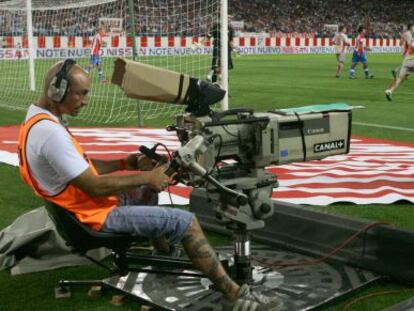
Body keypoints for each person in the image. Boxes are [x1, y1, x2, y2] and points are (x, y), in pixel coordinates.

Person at [17, 59, 282, 311]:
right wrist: (148, 176)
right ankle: (234, 296)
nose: (85, 101)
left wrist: (126, 163)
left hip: (80, 210)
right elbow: (94, 186)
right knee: (186, 222)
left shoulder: (37, 123)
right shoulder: (50, 134)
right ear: (57, 90)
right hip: (94, 216)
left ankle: (166, 253)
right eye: (81, 94)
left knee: (148, 191)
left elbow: (82, 165)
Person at [385, 24, 414, 101]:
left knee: (400, 78)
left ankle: (390, 91)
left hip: (406, 60)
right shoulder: (409, 35)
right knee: (403, 76)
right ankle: (397, 70)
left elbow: (402, 43)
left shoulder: (410, 37)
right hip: (412, 61)